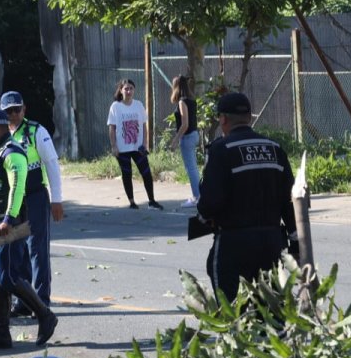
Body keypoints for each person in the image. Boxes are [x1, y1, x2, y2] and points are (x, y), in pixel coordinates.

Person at [0, 107, 58, 350]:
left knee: (7, 276)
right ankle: (1, 333)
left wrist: (8, 219)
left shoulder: (12, 153)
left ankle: (45, 314)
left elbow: (18, 188)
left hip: (6, 225)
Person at [197, 92, 297, 302]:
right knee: (271, 311)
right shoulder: (275, 148)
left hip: (233, 244)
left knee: (232, 312)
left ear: (223, 119)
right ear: (250, 117)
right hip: (272, 244)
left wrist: (203, 219)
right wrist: (295, 244)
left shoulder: (220, 150)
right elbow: (291, 200)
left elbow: (209, 203)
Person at [0, 90, 64, 313]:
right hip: (14, 201)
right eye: (8, 111)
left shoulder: (36, 131)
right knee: (18, 251)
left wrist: (57, 200)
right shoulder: (1, 135)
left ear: (24, 109)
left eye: (17, 110)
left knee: (37, 250)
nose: (13, 114)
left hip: (36, 196)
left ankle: (42, 302)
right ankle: (25, 302)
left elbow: (52, 163)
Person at [106, 80, 161, 210]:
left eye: (131, 88)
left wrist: (145, 143)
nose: (129, 91)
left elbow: (143, 125)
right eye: (126, 89)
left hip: (138, 148)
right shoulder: (115, 106)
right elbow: (112, 128)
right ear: (121, 90)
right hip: (122, 148)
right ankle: (132, 202)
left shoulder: (138, 105)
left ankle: (151, 201)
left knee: (146, 173)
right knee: (127, 174)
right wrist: (114, 146)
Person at [167, 76, 202, 208]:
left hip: (187, 137)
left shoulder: (182, 102)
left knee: (191, 168)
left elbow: (185, 124)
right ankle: (198, 195)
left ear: (176, 86)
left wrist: (175, 140)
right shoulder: (192, 101)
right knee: (193, 168)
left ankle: (197, 197)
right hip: (194, 135)